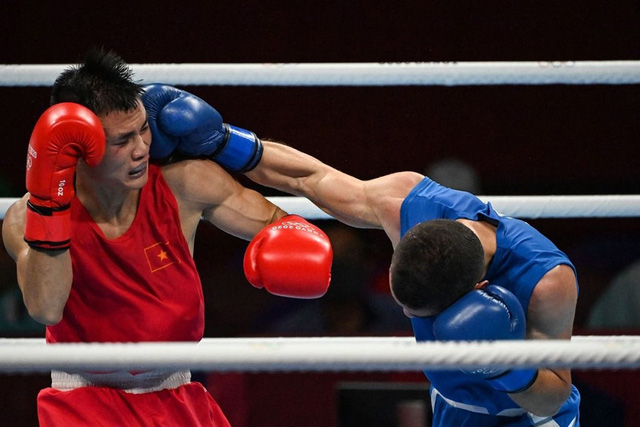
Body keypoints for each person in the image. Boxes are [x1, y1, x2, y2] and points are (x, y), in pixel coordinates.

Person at [143, 86, 581, 426]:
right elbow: (309, 178)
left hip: (530, 415)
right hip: (453, 403)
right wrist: (221, 142)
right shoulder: (407, 203)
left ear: (478, 289)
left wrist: (504, 365)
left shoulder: (546, 281)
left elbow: (555, 392)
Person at [1, 49, 333, 426]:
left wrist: (294, 240)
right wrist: (51, 208)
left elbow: (277, 221)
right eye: (122, 140)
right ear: (77, 147)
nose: (142, 148)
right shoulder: (27, 217)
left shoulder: (184, 186)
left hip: (179, 397)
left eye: (143, 128)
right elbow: (45, 308)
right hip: (84, 404)